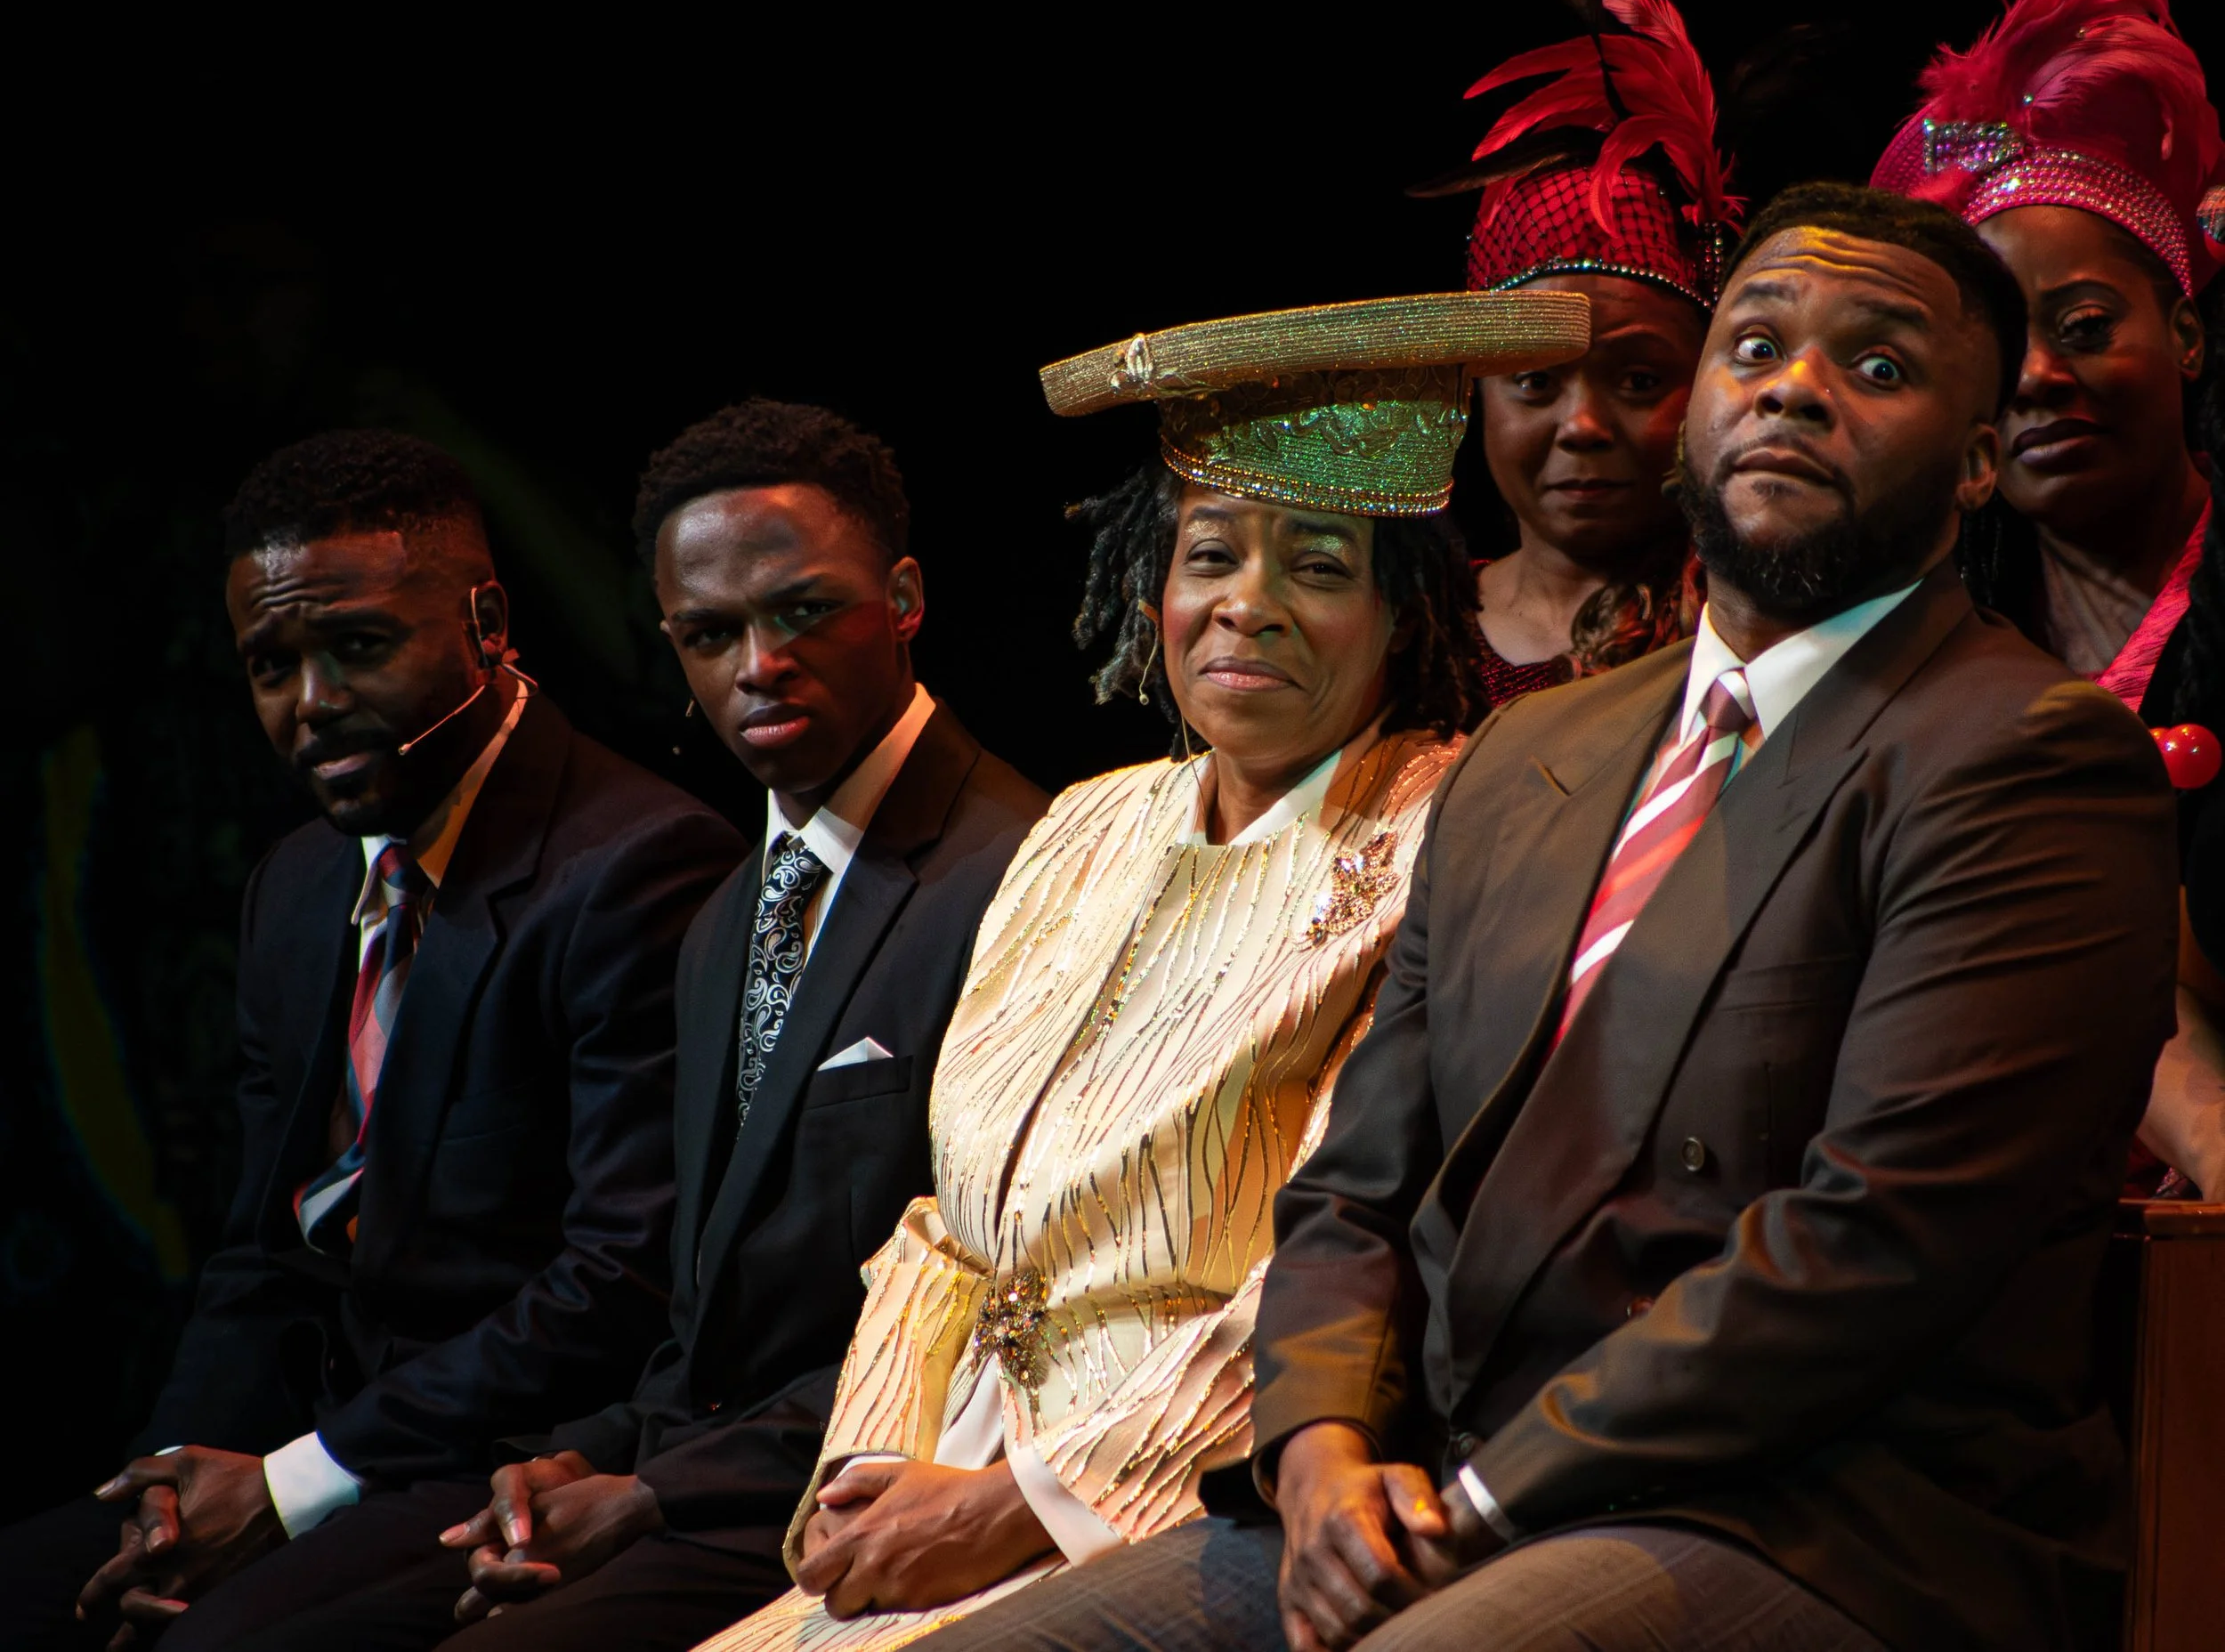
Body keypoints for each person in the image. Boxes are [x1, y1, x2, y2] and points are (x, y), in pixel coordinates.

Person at [909, 185, 2182, 1652]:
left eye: (1877, 364)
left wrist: (1481, 1507)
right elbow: (1356, 1186)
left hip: (1813, 1511)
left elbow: (1874, 1245)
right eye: (1754, 347)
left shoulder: (2027, 755)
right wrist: (1320, 1454)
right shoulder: (1531, 751)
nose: (1794, 389)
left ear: (1975, 462)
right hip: (1429, 1474)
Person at [689, 290, 1589, 1652]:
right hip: (940, 1456)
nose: (1246, 605)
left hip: (1180, 1492)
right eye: (1209, 554)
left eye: (1320, 565)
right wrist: (864, 1469)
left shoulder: (1452, 840)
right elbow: (951, 1223)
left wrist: (1028, 1500)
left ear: (1406, 614)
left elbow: (1350, 1252)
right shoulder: (1083, 823)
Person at [146, 402, 1049, 1652]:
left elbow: (1002, 1302)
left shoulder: (1024, 872)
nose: (758, 665)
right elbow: (702, 1314)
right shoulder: (740, 900)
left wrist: (650, 1487)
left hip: (855, 1478)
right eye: (709, 633)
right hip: (669, 1457)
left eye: (801, 611)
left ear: (903, 599)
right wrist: (590, 1458)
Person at [0, 430, 748, 1649]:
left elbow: (618, 1281)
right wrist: (166, 1493)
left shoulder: (637, 867)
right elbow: (263, 1255)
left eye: (358, 646)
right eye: (272, 664)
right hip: (326, 1438)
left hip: (515, 1453)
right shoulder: (298, 884)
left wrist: (290, 1482)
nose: (311, 702)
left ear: (488, 623)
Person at [1873, 0, 2225, 1200]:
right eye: (2000, 348)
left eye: (2083, 325)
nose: (2037, 376)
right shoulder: (1918, 645)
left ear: (2185, 337)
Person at [1417, 0, 1734, 709]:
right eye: (1535, 380)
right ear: (1476, 393)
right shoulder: (1405, 636)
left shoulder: (1753, 635)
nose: (1583, 425)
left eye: (1640, 380)